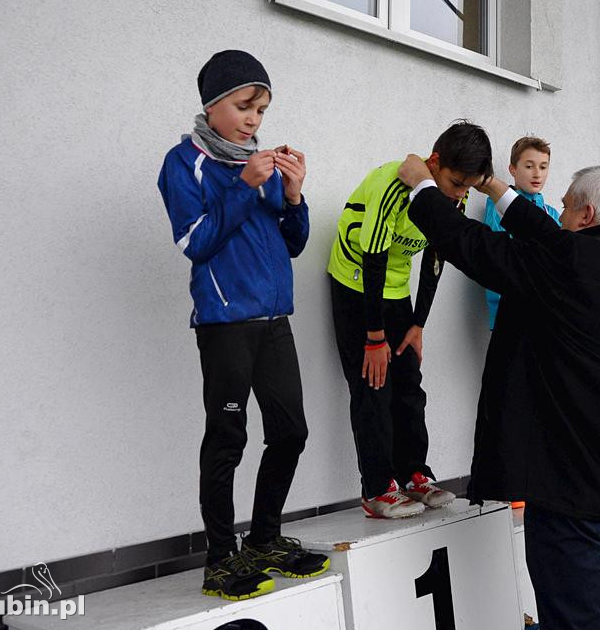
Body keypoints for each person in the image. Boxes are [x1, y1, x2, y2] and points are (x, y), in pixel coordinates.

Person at [397, 159, 600, 630]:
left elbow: (470, 245)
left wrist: (424, 187)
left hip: (571, 488)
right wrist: (495, 186)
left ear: (586, 216)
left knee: (574, 620)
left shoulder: (565, 266)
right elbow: (549, 236)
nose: (556, 213)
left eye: (564, 207)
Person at [157, 50, 329, 600]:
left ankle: (263, 539)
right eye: (244, 106)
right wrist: (244, 185)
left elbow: (293, 242)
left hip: (275, 319)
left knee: (291, 432)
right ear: (212, 105)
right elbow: (196, 242)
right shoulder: (182, 163)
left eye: (262, 109)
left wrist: (295, 195)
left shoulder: (263, 162)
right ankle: (219, 558)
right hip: (225, 322)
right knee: (228, 437)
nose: (255, 119)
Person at [327, 121, 494, 518]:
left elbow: (436, 258)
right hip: (356, 285)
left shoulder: (446, 197)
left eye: (467, 189)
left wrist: (418, 324)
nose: (459, 195)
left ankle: (414, 473)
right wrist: (373, 337)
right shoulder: (393, 184)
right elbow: (373, 258)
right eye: (455, 183)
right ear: (434, 162)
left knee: (409, 385)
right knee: (372, 387)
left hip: (396, 291)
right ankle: (377, 489)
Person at [481, 136, 559, 329]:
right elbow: (500, 257)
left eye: (543, 167)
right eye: (529, 166)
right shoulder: (498, 206)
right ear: (513, 169)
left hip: (548, 315)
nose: (537, 174)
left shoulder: (553, 214)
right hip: (509, 312)